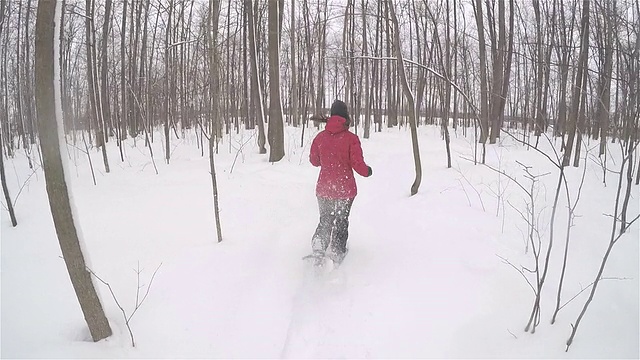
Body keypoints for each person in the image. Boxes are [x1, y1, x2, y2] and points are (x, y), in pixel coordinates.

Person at [309, 99, 372, 267]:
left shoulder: (320, 137)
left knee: (325, 219)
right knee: (341, 220)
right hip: (345, 189)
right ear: (346, 117)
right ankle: (337, 251)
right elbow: (357, 164)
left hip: (324, 188)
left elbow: (314, 161)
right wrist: (367, 171)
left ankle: (319, 244)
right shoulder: (351, 139)